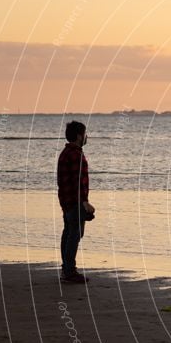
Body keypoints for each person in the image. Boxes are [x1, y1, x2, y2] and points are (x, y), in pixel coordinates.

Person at [57, 120, 95, 283]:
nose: (87, 137)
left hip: (66, 200)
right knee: (75, 233)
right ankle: (69, 270)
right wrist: (84, 202)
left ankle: (67, 268)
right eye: (85, 134)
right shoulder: (75, 154)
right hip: (74, 200)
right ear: (79, 136)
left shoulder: (66, 152)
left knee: (69, 232)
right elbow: (78, 181)